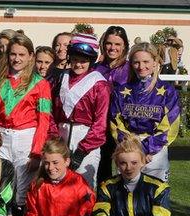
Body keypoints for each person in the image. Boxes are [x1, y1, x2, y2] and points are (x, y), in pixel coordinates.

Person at [0, 34, 51, 216]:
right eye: (13, 54)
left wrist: (37, 152)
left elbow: (44, 120)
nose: (17, 59)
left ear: (31, 56)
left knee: (22, 192)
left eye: (22, 55)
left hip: (26, 139)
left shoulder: (41, 84)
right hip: (0, 138)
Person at [110, 42, 180, 181]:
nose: (141, 67)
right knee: (127, 198)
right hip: (127, 150)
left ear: (155, 62)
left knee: (156, 197)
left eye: (146, 61)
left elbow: (170, 126)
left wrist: (147, 149)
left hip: (155, 153)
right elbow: (115, 123)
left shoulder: (168, 92)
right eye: (136, 62)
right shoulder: (120, 91)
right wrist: (134, 149)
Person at [48, 34, 110, 188]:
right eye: (75, 59)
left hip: (86, 139)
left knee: (84, 185)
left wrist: (83, 150)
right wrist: (54, 138)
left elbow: (100, 123)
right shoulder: (59, 78)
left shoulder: (99, 84)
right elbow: (49, 111)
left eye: (84, 61)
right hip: (60, 137)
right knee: (58, 185)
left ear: (91, 61)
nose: (78, 64)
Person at [95, 26, 131, 184]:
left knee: (125, 167)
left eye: (117, 44)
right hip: (100, 125)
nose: (112, 48)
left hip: (123, 126)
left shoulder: (131, 69)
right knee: (102, 168)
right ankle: (104, 204)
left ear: (124, 46)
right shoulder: (95, 69)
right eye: (109, 43)